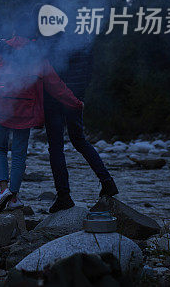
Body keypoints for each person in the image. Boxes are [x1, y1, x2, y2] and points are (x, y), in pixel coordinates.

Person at [0, 17, 85, 214]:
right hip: (25, 109)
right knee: (19, 154)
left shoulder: (0, 49)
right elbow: (56, 86)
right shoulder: (37, 54)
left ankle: (4, 190)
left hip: (2, 105)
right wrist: (76, 103)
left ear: (15, 30)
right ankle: (13, 196)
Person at [42, 33, 118, 213]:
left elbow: (49, 72)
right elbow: (89, 71)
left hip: (56, 98)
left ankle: (64, 196)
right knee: (79, 140)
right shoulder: (84, 40)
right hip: (76, 97)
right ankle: (107, 182)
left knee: (56, 148)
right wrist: (80, 94)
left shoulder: (51, 40)